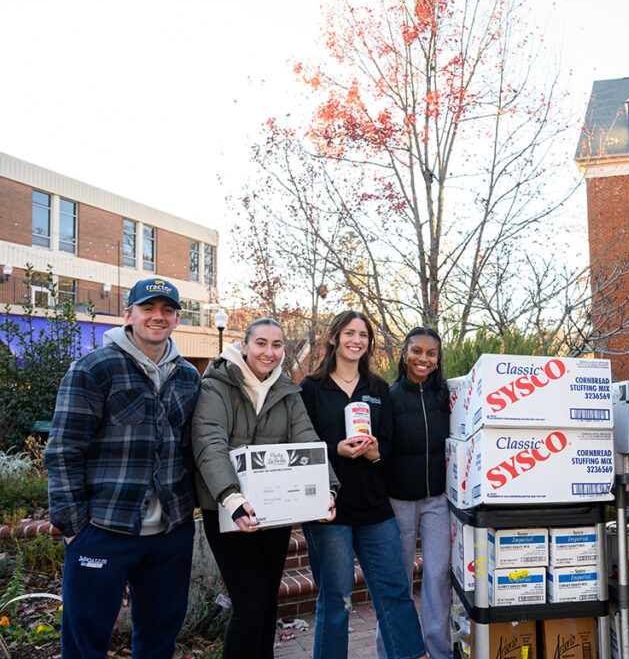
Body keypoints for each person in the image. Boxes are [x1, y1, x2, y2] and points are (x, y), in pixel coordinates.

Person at [44, 278, 202, 659]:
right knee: (85, 641)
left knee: (159, 638)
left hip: (169, 534)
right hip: (103, 529)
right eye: (148, 308)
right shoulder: (94, 369)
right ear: (128, 314)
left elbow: (190, 448)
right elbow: (64, 449)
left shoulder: (188, 377)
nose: (157, 317)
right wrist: (73, 529)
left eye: (167, 310)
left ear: (177, 319)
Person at [191, 318, 339, 659]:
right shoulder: (217, 385)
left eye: (276, 345)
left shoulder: (287, 390)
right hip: (230, 511)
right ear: (244, 346)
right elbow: (209, 442)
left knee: (268, 598)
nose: (269, 352)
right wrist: (231, 496)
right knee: (250, 603)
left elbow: (307, 439)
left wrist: (326, 489)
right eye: (261, 343)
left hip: (274, 512)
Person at [299, 311, 425, 659]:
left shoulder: (378, 388)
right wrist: (334, 449)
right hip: (329, 508)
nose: (357, 340)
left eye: (364, 334)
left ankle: (412, 656)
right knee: (337, 600)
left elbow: (388, 445)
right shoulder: (311, 388)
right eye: (349, 333)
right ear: (334, 338)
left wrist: (374, 453)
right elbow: (300, 444)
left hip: (374, 507)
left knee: (395, 593)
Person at [375, 327, 451, 659]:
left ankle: (438, 650)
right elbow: (383, 450)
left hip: (438, 499)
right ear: (405, 353)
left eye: (431, 353)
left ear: (438, 359)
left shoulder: (446, 396)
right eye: (417, 351)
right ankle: (392, 650)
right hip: (398, 501)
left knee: (437, 575)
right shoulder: (390, 396)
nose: (423, 358)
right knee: (397, 580)